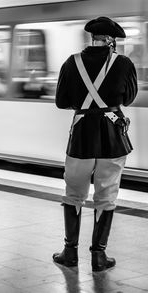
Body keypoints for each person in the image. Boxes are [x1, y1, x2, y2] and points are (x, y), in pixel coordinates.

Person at [53, 16, 138, 272]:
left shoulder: (72, 62)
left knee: (74, 194)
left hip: (80, 138)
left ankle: (70, 253)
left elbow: (61, 101)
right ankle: (99, 257)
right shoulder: (123, 64)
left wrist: (84, 105)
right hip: (112, 138)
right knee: (106, 195)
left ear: (92, 38)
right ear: (111, 41)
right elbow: (129, 98)